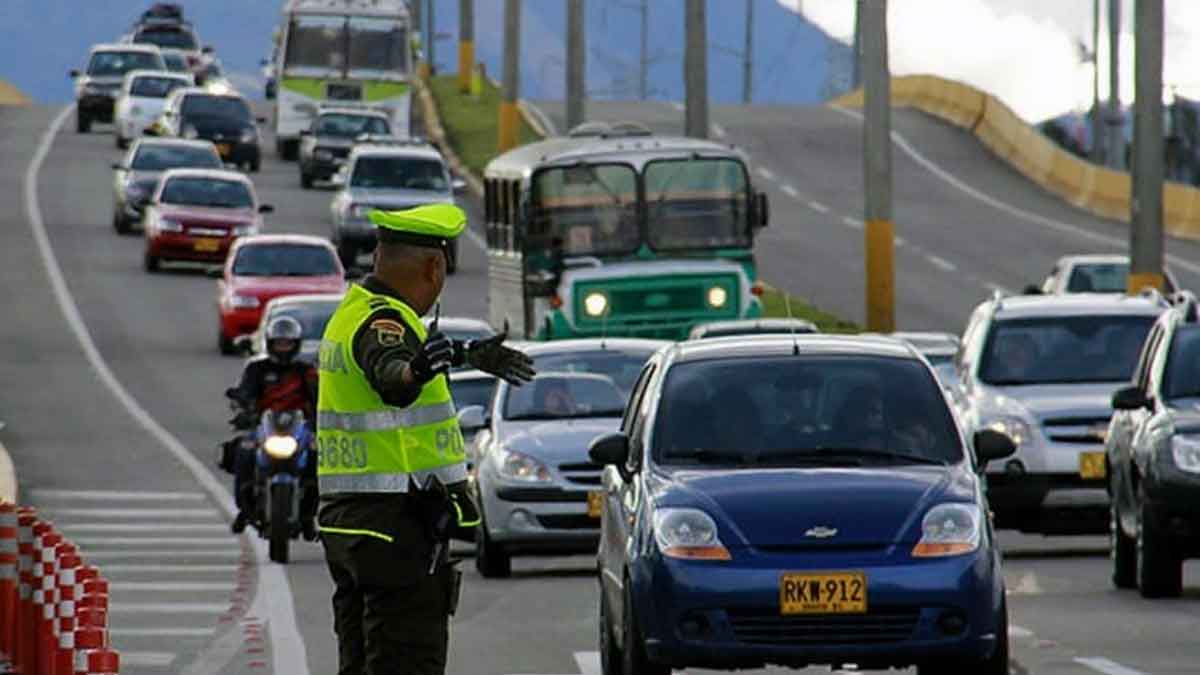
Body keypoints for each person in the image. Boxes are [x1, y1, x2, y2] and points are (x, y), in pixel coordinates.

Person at [316, 203, 535, 675]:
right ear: (434, 267)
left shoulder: (351, 313)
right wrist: (416, 369)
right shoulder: (385, 322)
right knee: (406, 661)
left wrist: (461, 353)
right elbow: (391, 373)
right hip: (393, 527)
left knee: (359, 661)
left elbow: (388, 360)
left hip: (350, 525)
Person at [227, 315, 318, 536]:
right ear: (270, 343)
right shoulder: (257, 369)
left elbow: (319, 398)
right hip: (265, 426)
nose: (283, 348)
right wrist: (242, 406)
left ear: (295, 344)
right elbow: (245, 393)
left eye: (287, 343)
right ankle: (244, 509)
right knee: (243, 452)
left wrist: (320, 420)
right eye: (279, 343)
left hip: (299, 428)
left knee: (317, 459)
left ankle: (308, 515)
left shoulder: (305, 371)